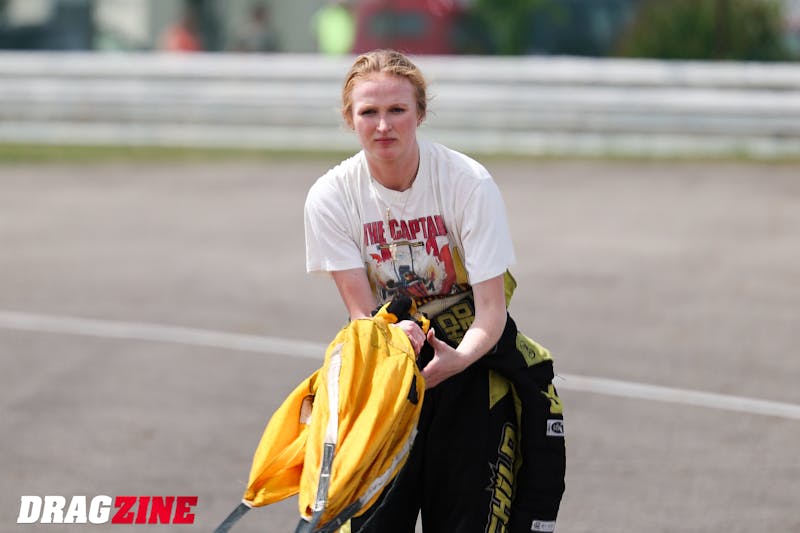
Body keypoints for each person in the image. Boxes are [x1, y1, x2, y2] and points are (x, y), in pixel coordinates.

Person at [303, 50, 565, 533]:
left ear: (420, 113)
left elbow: (492, 312)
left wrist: (458, 360)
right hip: (388, 370)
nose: (384, 125)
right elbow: (362, 313)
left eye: (397, 110)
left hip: (472, 363)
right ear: (349, 118)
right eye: (369, 112)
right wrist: (396, 343)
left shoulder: (467, 183)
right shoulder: (331, 196)